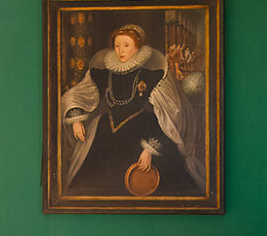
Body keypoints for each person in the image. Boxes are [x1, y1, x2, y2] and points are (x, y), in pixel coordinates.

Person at [59, 24, 202, 197]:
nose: (120, 50)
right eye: (117, 45)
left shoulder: (151, 76)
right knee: (93, 181)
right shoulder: (104, 73)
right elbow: (77, 94)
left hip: (142, 129)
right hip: (106, 129)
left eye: (126, 45)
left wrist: (149, 150)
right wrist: (76, 120)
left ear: (137, 48)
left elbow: (171, 112)